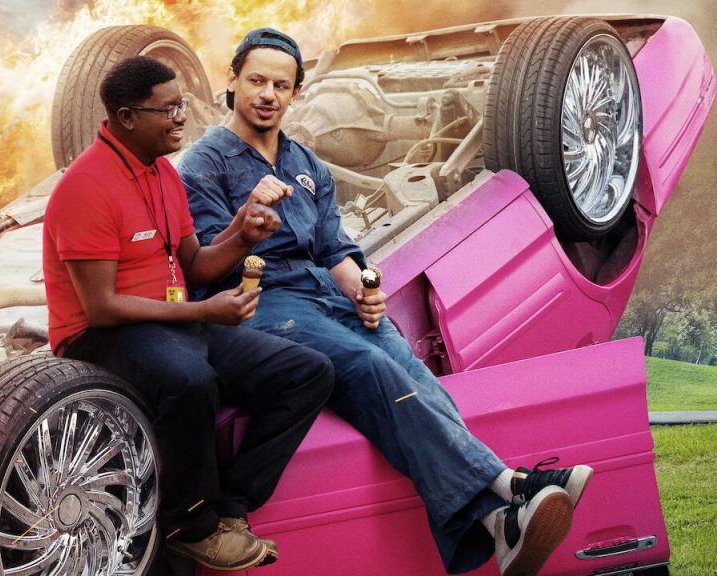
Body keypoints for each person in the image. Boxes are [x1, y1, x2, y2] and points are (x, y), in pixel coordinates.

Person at [178, 28, 593, 576]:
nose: (267, 95)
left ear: (296, 93)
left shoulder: (306, 164)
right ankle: (508, 488)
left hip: (324, 294)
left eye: (281, 85)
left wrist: (363, 292)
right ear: (232, 81)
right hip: (263, 301)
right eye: (256, 81)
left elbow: (334, 248)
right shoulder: (202, 164)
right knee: (367, 364)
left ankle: (499, 517)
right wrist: (247, 220)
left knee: (406, 364)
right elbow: (204, 264)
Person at [42, 55, 334, 572]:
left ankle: (231, 509)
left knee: (307, 373)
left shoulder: (162, 173)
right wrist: (206, 310)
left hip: (168, 322)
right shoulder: (85, 188)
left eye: (181, 105)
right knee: (191, 381)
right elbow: (101, 307)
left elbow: (195, 263)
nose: (182, 117)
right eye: (169, 109)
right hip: (103, 335)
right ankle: (189, 526)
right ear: (127, 117)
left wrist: (243, 234)